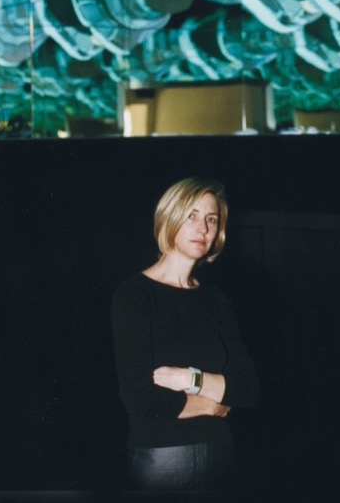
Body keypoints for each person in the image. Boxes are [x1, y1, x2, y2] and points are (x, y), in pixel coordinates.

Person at [112, 177, 261, 492]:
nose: (203, 228)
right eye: (191, 215)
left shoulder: (217, 300)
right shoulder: (135, 295)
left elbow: (247, 388)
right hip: (161, 459)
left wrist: (188, 379)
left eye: (211, 219)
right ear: (169, 217)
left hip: (221, 454)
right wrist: (211, 404)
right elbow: (139, 398)